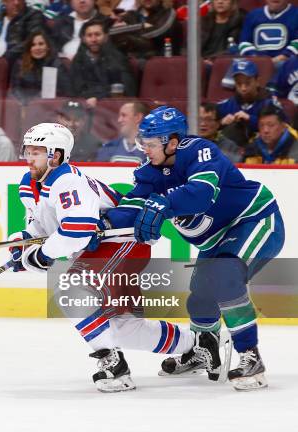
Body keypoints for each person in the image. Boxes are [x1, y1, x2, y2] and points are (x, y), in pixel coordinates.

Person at [108, 106, 284, 391]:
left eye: (152, 144)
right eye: (144, 143)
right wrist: (99, 225)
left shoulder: (200, 151)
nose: (146, 150)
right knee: (200, 296)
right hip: (216, 238)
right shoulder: (149, 171)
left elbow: (202, 194)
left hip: (254, 219)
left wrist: (163, 203)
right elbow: (132, 207)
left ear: (173, 142)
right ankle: (205, 351)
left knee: (225, 278)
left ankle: (251, 357)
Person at [11, 122, 196, 392]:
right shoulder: (29, 183)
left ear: (57, 155)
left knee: (71, 292)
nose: (29, 157)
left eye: (37, 151)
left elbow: (77, 232)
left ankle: (114, 367)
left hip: (124, 242)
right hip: (109, 249)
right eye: (28, 150)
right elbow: (42, 226)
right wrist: (24, 240)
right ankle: (199, 345)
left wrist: (41, 255)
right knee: (122, 327)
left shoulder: (67, 180)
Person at [69, 18, 136, 107]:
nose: (93, 39)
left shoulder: (117, 57)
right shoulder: (78, 59)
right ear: (84, 39)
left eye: (97, 34)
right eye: (89, 35)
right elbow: (75, 89)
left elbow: (127, 88)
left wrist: (97, 98)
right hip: (84, 107)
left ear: (106, 36)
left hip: (112, 107)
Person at [217, 59, 279, 146]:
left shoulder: (269, 102)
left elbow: (281, 126)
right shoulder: (230, 103)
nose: (243, 88)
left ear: (257, 81)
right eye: (239, 83)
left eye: (247, 83)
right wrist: (221, 123)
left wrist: (250, 119)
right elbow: (208, 117)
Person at [9, 30, 70, 103]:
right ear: (29, 48)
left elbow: (66, 90)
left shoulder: (57, 64)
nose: (37, 48)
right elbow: (15, 89)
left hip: (50, 106)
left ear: (48, 47)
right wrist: (25, 103)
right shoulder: (20, 63)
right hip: (26, 105)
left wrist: (38, 100)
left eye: (41, 44)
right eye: (33, 45)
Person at [0, 0, 45, 66]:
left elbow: (29, 42)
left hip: (20, 67)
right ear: (4, 1)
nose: (16, 2)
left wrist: (2, 61)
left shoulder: (34, 16)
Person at [238, 0, 297, 66]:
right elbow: (244, 43)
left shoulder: (296, 14)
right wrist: (255, 57)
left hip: (286, 63)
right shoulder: (253, 15)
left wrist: (283, 56)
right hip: (256, 62)